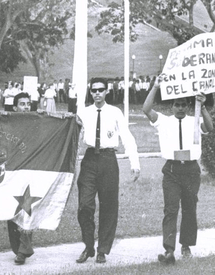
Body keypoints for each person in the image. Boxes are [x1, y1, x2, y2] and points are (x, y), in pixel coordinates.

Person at [142, 75, 213, 265]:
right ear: (171, 106)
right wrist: (156, 87)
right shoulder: (164, 121)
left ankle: (186, 245)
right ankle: (169, 250)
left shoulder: (195, 119)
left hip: (191, 170)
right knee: (171, 209)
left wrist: (203, 106)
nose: (180, 108)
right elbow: (146, 109)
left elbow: (209, 127)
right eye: (177, 104)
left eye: (183, 104)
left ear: (188, 106)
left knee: (190, 208)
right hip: (172, 170)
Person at [75, 77, 140, 264]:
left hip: (108, 159)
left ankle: (102, 249)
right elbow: (74, 137)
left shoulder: (115, 112)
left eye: (101, 90)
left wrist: (135, 163)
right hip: (89, 160)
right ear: (90, 92)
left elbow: (127, 137)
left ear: (106, 91)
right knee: (85, 205)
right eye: (94, 90)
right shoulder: (84, 113)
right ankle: (88, 246)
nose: (97, 93)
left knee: (109, 206)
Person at [8, 92, 35, 264]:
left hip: (32, 172)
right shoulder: (8, 123)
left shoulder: (37, 123)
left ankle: (23, 250)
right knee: (11, 210)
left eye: (27, 104)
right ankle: (17, 247)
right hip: (12, 172)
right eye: (22, 104)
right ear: (15, 107)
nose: (25, 107)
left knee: (27, 209)